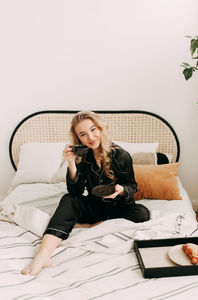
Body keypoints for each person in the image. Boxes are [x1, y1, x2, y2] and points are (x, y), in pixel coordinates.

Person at [21, 111, 150, 276]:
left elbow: (132, 185)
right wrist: (70, 163)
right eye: (83, 134)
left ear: (101, 129)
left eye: (93, 129)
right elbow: (75, 191)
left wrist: (120, 190)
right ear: (78, 138)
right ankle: (43, 255)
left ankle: (90, 225)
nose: (90, 137)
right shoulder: (82, 157)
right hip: (94, 205)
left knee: (142, 213)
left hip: (119, 207)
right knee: (68, 200)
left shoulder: (121, 155)